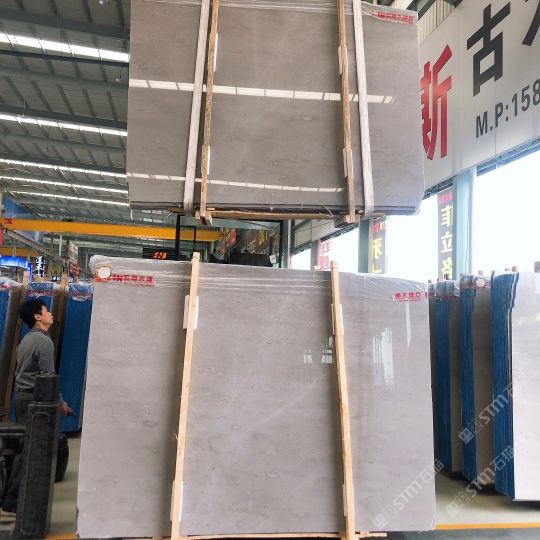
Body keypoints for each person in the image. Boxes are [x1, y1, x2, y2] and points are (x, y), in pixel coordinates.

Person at [1, 299, 72, 519]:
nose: (50, 313)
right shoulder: (43, 341)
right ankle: (12, 502)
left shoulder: (27, 339)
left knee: (25, 449)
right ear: (37, 317)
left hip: (22, 398)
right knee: (30, 452)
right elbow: (47, 377)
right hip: (36, 401)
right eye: (45, 311)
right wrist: (60, 402)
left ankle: (12, 499)